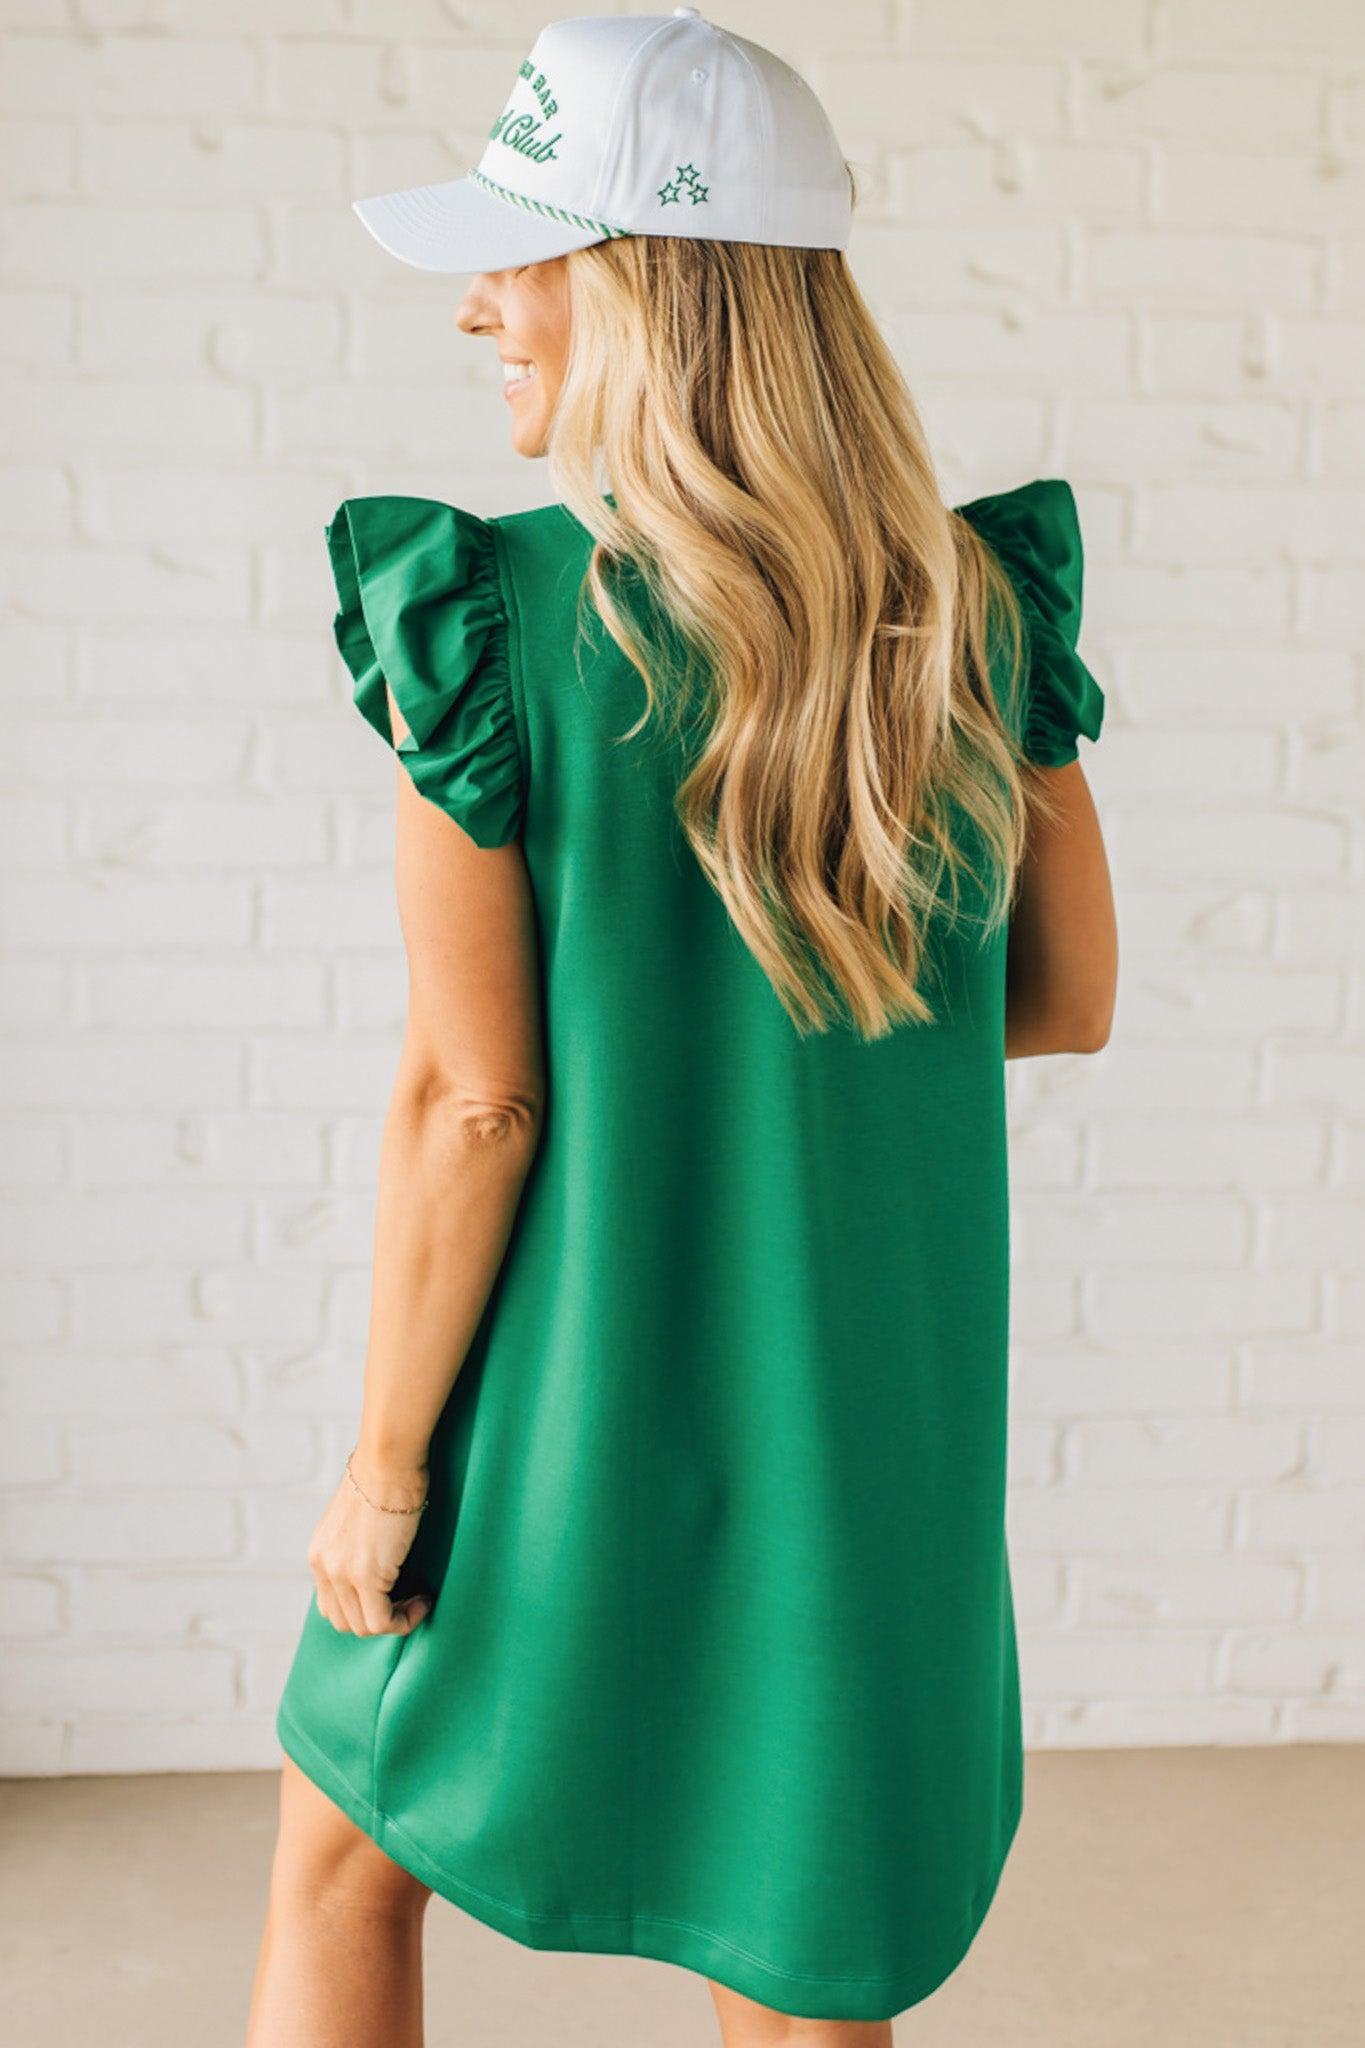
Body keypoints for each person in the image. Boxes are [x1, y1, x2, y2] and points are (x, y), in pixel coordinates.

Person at [246, 11, 1118, 2046]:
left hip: (553, 1416)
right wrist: (800, 1069)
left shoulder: (487, 631)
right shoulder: (978, 624)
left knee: (338, 1852)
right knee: (796, 1947)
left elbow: (476, 1107)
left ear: (641, 289)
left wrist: (384, 1471)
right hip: (858, 1449)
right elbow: (1062, 1003)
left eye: (516, 258)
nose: (478, 305)